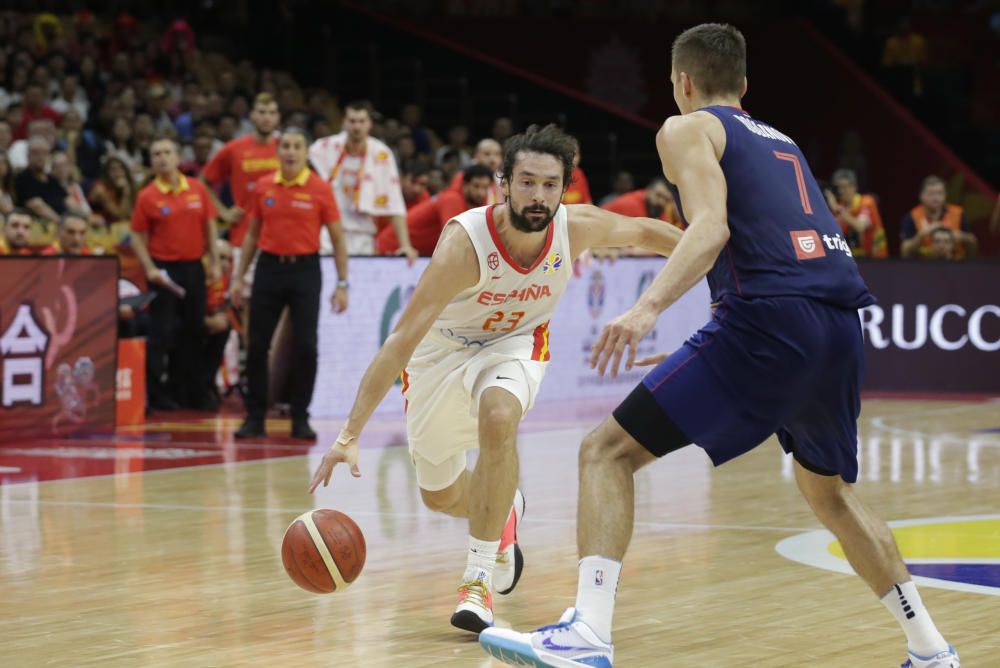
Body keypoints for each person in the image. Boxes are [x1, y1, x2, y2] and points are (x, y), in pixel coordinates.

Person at [479, 24, 960, 668]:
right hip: (839, 320)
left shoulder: (685, 128)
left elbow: (712, 229)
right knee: (832, 495)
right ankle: (930, 649)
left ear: (681, 82)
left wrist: (647, 308)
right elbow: (767, 246)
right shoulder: (779, 139)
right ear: (743, 85)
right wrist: (711, 333)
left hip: (768, 324)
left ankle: (588, 633)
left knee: (605, 453)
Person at [308, 124, 683, 635]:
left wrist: (721, 259)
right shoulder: (465, 243)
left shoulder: (577, 227)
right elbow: (401, 340)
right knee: (439, 496)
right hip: (440, 356)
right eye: (527, 182)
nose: (538, 195)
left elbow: (647, 233)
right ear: (503, 184)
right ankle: (506, 513)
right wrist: (349, 435)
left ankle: (477, 580)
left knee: (499, 412)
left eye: (551, 185)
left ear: (564, 188)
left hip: (517, 345)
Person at [232, 128, 349, 440]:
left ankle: (301, 416)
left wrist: (343, 283)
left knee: (306, 346)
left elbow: (338, 239)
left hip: (305, 270)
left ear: (306, 151)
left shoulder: (319, 188)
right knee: (256, 344)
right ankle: (254, 416)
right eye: (285, 146)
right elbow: (252, 235)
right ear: (277, 150)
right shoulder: (264, 186)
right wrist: (239, 276)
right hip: (269, 267)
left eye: (297, 146)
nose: (291, 151)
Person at [130, 137, 221, 411]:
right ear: (151, 161)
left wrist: (214, 261)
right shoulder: (147, 195)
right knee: (161, 333)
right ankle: (156, 395)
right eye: (156, 153)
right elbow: (136, 235)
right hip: (164, 271)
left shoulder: (196, 189)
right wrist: (149, 269)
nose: (162, 158)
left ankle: (189, 392)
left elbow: (210, 227)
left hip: (194, 267)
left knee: (194, 330)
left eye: (167, 152)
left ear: (178, 157)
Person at [308, 100, 417, 261]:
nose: (356, 127)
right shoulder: (324, 147)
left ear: (369, 124)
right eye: (352, 121)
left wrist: (405, 245)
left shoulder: (381, 154)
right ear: (344, 122)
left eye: (361, 121)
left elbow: (394, 202)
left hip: (362, 234)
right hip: (327, 231)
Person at [200, 92, 281, 249]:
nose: (267, 117)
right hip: (243, 236)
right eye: (262, 112)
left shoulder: (286, 148)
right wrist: (223, 213)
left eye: (272, 113)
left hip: (280, 237)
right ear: (252, 116)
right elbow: (203, 181)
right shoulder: (234, 148)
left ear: (278, 117)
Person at [376, 164, 493, 256]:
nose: (480, 193)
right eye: (476, 186)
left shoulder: (468, 202)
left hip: (411, 255)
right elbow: (453, 238)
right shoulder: (452, 199)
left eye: (485, 187)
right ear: (464, 185)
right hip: (390, 251)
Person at [900, 176, 977, 259]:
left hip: (956, 265)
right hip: (924, 267)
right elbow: (904, 252)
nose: (935, 198)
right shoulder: (912, 217)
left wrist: (962, 237)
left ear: (945, 195)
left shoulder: (958, 214)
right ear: (921, 196)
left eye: (939, 193)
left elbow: (973, 244)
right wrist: (921, 236)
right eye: (931, 193)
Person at [824, 168, 888, 258]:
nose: (841, 191)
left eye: (844, 187)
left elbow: (860, 226)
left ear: (854, 187)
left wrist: (837, 208)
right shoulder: (840, 207)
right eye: (838, 188)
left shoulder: (867, 202)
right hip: (854, 259)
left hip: (876, 259)